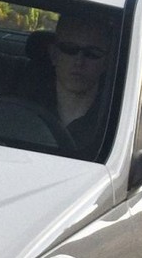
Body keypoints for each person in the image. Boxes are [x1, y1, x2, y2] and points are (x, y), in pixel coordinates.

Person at [42, 11, 116, 156]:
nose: (79, 62)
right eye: (70, 49)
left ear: (107, 62)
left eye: (92, 53)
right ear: (54, 54)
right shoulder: (19, 105)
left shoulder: (117, 120)